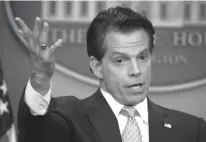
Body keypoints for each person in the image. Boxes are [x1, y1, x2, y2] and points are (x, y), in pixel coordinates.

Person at [16, 7, 206, 142]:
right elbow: (36, 134)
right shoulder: (69, 119)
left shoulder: (191, 129)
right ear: (97, 67)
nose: (136, 71)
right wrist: (40, 78)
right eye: (120, 60)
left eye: (142, 57)